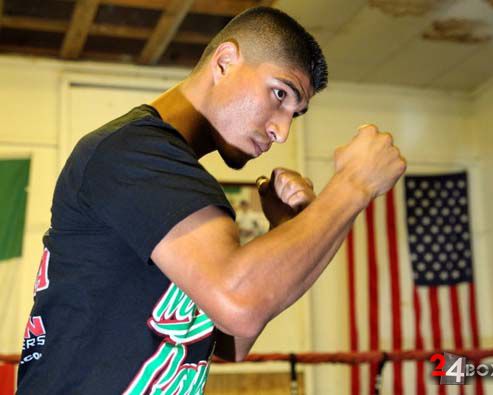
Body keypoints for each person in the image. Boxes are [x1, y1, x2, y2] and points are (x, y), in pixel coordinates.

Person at [17, 6, 406, 394]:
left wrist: (287, 228)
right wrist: (354, 184)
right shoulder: (134, 152)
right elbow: (240, 303)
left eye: (295, 114)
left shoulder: (182, 183)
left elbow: (226, 340)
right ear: (224, 62)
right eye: (279, 93)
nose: (281, 131)